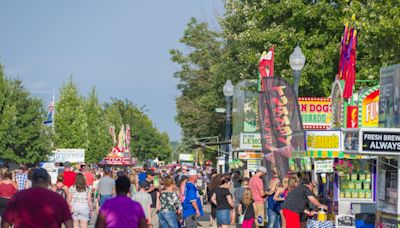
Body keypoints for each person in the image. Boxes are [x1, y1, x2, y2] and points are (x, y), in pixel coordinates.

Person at [1, 168, 73, 228]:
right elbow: (69, 223)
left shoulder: (18, 197)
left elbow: (5, 222)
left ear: (32, 180)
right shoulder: (58, 199)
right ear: (47, 181)